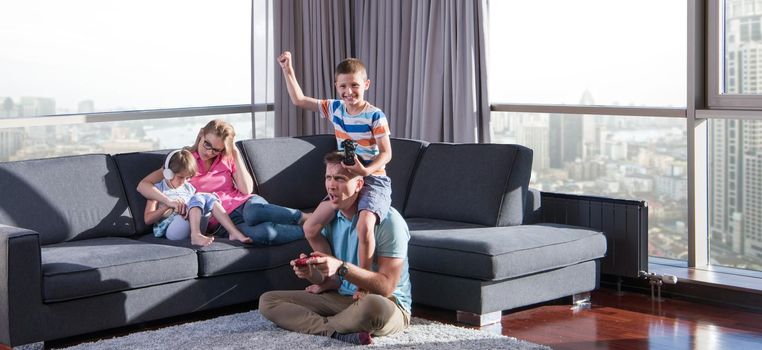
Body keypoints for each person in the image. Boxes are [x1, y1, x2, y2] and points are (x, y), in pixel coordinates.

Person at [258, 152, 411, 345]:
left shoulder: (389, 221)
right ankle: (336, 332)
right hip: (342, 299)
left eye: (339, 178)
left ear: (358, 185)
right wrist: (311, 272)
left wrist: (341, 267)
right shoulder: (330, 220)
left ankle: (322, 326)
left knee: (372, 305)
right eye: (328, 178)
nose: (331, 185)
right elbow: (331, 281)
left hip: (388, 304)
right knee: (268, 301)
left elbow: (386, 287)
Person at [278, 51, 393, 298]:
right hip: (346, 178)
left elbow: (386, 154)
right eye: (343, 86)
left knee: (364, 226)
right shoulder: (335, 108)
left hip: (373, 177)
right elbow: (298, 100)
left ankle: (364, 284)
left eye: (354, 85)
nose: (348, 92)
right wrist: (288, 70)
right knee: (310, 228)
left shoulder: (375, 115)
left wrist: (366, 170)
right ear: (336, 86)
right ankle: (333, 279)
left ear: (366, 85)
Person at [138, 119, 308, 246]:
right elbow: (144, 185)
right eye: (207, 144)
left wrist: (235, 152)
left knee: (253, 213)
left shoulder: (226, 157)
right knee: (264, 233)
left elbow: (246, 189)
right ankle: (312, 230)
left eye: (216, 149)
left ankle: (305, 217)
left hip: (244, 205)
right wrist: (168, 202)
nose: (209, 152)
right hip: (221, 222)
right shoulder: (184, 161)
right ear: (201, 134)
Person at [144, 149, 251, 246]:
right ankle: (196, 235)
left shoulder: (188, 188)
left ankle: (233, 232)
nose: (183, 182)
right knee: (199, 197)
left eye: (187, 178)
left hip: (191, 226)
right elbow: (148, 220)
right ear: (168, 173)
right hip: (170, 230)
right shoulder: (158, 190)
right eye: (180, 177)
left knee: (208, 197)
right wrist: (167, 206)